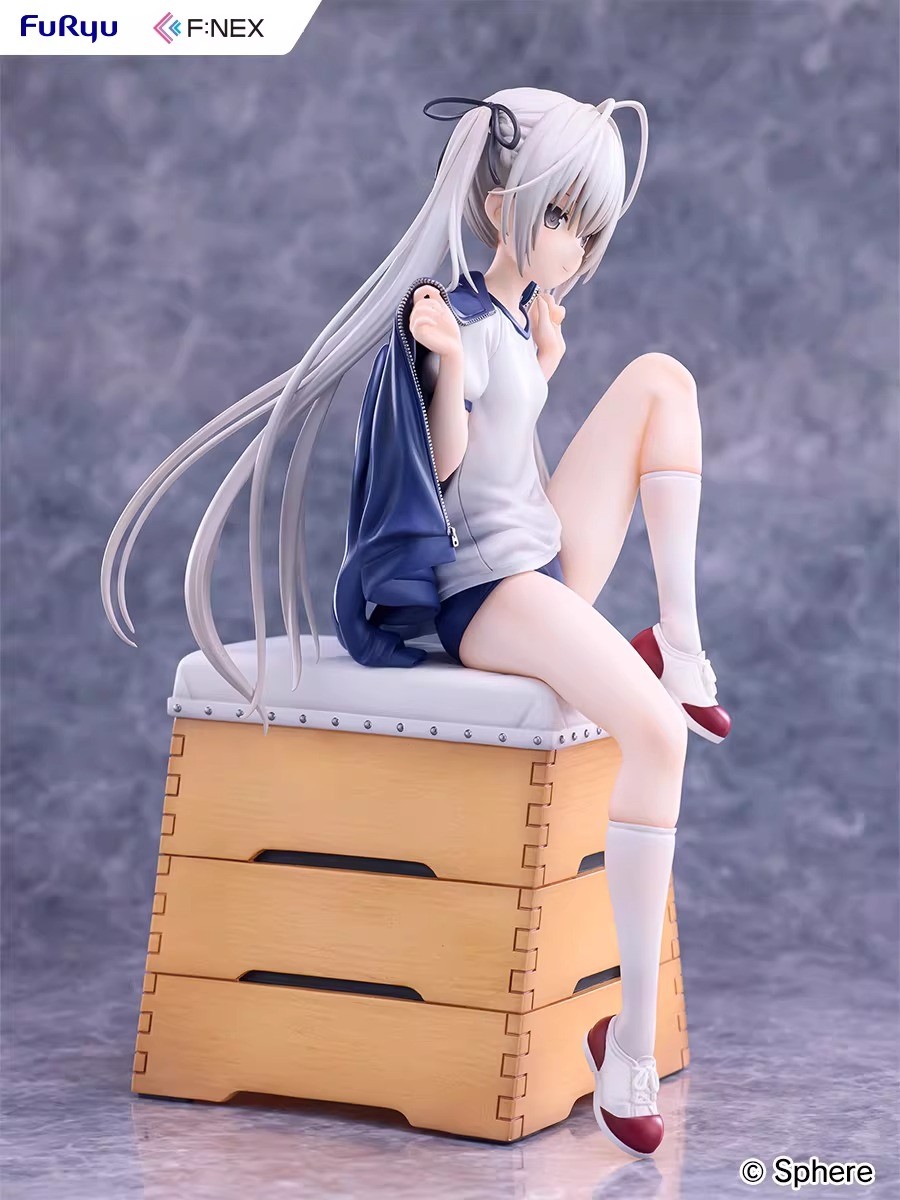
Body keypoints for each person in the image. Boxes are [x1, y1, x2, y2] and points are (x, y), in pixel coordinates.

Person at [101, 88, 730, 1159]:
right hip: (488, 592)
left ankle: (680, 637)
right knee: (657, 739)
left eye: (587, 229)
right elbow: (438, 473)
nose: (574, 247)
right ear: (498, 206)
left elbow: (516, 455)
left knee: (662, 381)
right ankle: (621, 1043)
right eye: (560, 217)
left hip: (545, 557)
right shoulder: (449, 321)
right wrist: (449, 369)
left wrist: (541, 363)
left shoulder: (513, 322)